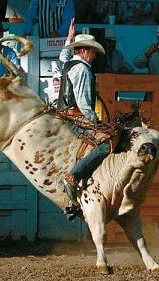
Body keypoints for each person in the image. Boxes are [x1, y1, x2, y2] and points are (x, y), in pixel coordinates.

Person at [57, 19, 109, 220]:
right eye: (93, 51)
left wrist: (69, 38)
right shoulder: (83, 70)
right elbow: (84, 103)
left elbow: (63, 56)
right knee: (105, 145)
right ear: (85, 51)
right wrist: (97, 124)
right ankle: (73, 177)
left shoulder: (71, 62)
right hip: (75, 117)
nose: (94, 55)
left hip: (65, 113)